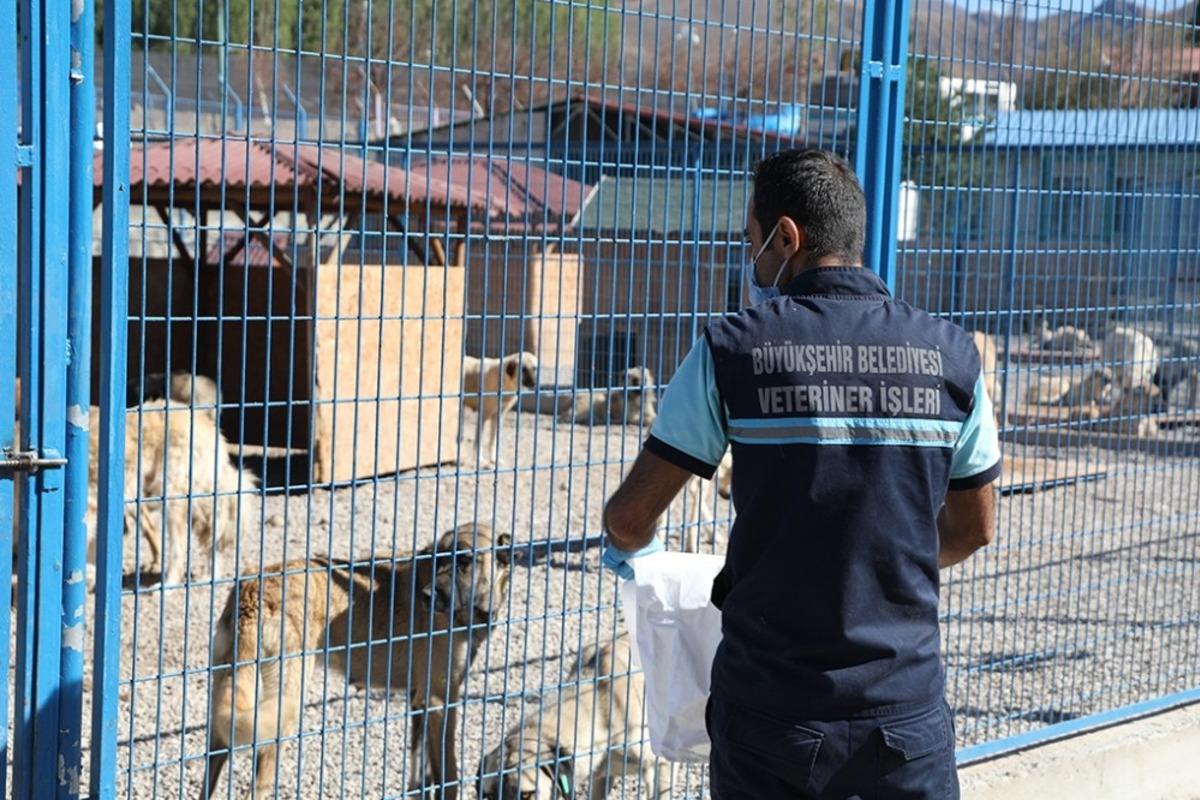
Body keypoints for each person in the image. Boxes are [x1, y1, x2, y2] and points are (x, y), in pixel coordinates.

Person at [601, 149, 1000, 799]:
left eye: (752, 241)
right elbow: (975, 528)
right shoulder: (952, 357)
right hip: (903, 715)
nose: (751, 256)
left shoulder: (731, 352)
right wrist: (875, 564)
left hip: (771, 716)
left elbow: (630, 516)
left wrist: (632, 554)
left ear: (787, 237)